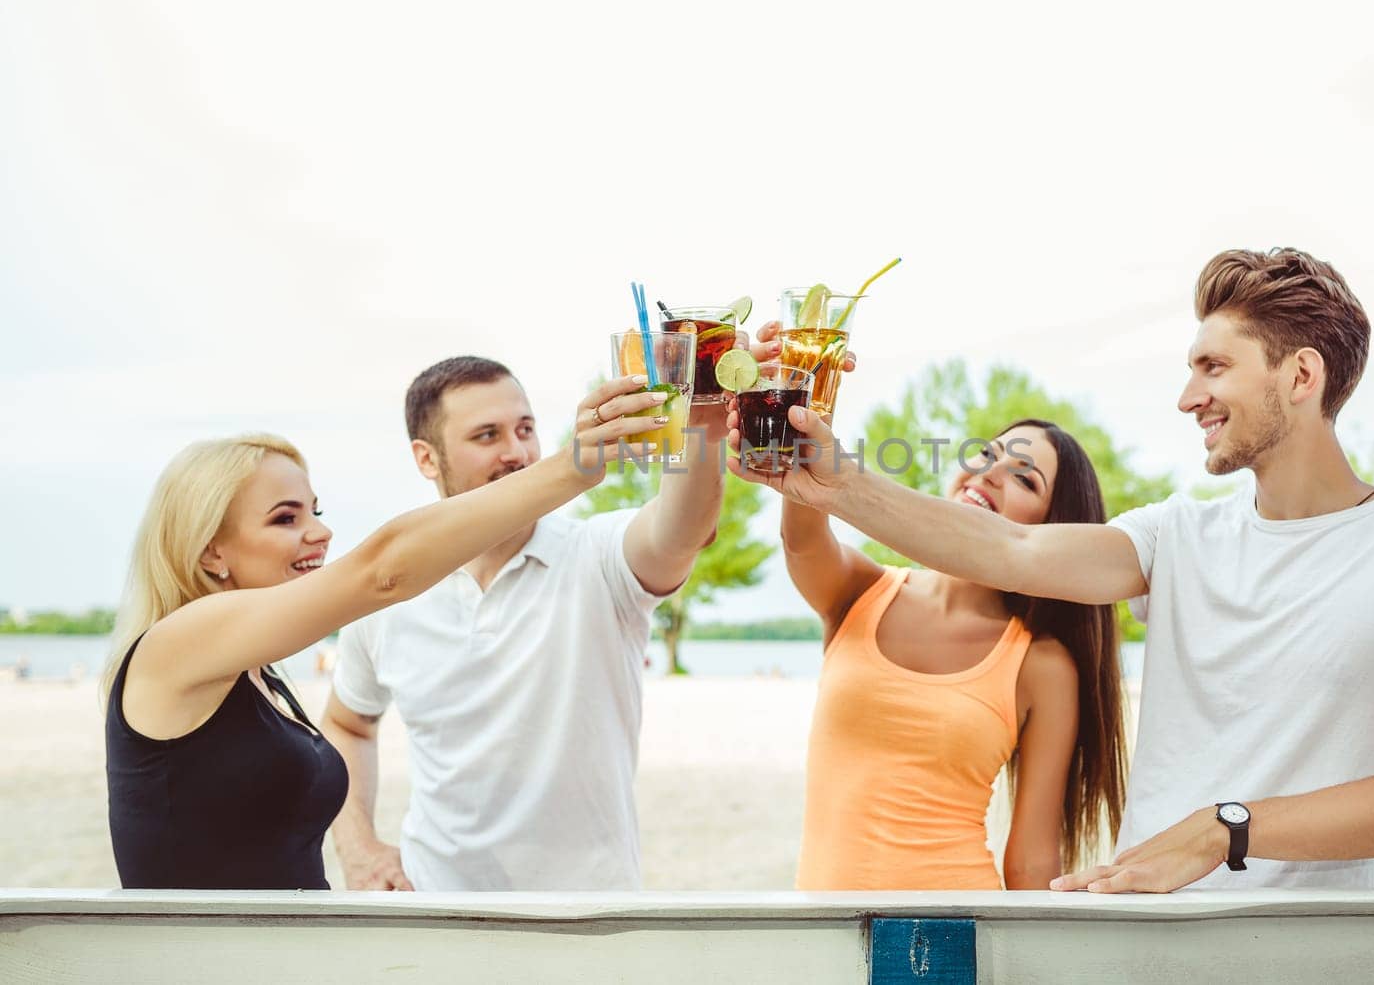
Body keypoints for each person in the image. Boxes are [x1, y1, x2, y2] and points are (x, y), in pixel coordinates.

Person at [731, 247, 1374, 891]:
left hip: (1304, 953)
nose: (1189, 397)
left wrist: (1227, 829)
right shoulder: (1176, 535)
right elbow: (1007, 550)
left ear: (1301, 376)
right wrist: (836, 481)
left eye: (1214, 367)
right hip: (1135, 943)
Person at [101, 376, 659, 889]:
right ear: (210, 549)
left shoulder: (254, 673)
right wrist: (572, 468)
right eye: (285, 518)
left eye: (314, 511)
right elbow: (383, 571)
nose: (321, 533)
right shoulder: (181, 642)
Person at [322, 356, 731, 891]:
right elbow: (348, 724)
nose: (516, 452)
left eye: (526, 429)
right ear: (427, 458)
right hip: (434, 912)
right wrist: (359, 849)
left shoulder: (600, 554)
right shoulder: (392, 588)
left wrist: (703, 414)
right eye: (487, 435)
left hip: (592, 919)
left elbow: (683, 528)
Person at [765, 386, 1126, 889]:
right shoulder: (861, 591)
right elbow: (801, 537)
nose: (992, 473)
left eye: (1024, 478)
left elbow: (1030, 862)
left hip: (949, 939)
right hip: (819, 938)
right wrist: (805, 409)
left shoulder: (1041, 664)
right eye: (987, 454)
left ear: (1050, 529)